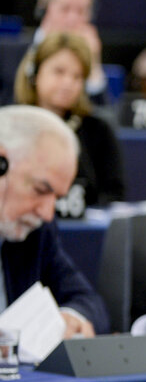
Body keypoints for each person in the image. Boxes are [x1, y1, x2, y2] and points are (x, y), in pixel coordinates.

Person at [0, 105, 109, 337]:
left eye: (57, 198)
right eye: (40, 190)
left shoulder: (36, 231)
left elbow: (87, 300)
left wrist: (71, 318)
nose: (47, 213)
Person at [14, 33, 125, 206]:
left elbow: (114, 196)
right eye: (59, 72)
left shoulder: (98, 130)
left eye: (77, 76)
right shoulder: (11, 126)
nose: (68, 83)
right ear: (34, 73)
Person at [34, 0, 106, 100]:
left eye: (80, 11)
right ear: (43, 7)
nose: (72, 19)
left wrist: (93, 65)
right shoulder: (8, 55)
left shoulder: (89, 56)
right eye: (65, 8)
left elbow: (102, 118)